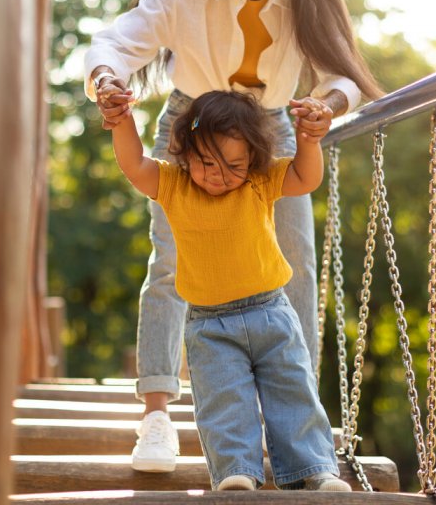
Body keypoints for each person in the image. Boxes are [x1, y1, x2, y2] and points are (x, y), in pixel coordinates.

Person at [84, 0, 381, 472]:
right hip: (193, 127)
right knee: (173, 264)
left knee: (294, 266)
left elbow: (342, 75)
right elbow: (116, 42)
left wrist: (324, 108)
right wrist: (108, 80)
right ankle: (156, 415)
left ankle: (296, 427)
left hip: (269, 130)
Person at [107, 88, 353, 491]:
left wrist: (308, 141)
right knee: (224, 400)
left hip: (272, 312)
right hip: (210, 325)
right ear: (184, 153)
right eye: (207, 163)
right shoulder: (173, 185)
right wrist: (122, 122)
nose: (219, 174)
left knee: (293, 389)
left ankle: (314, 469)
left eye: (234, 164)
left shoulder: (259, 181)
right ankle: (237, 471)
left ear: (252, 159)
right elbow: (134, 165)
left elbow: (307, 178)